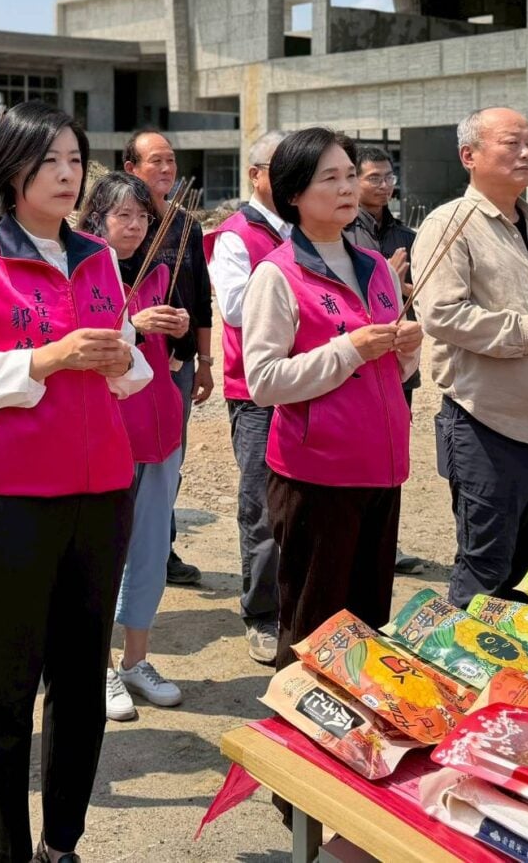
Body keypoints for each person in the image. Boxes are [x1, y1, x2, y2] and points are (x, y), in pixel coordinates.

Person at [0, 100, 150, 863]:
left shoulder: (99, 258)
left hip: (100, 497)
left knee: (81, 688)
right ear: (10, 171)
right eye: (48, 160)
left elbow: (130, 363)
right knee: (7, 691)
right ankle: (2, 850)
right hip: (10, 504)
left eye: (74, 160)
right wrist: (44, 361)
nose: (66, 173)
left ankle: (63, 843)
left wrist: (125, 361)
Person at [242, 127, 421, 671]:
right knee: (313, 627)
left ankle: (357, 739)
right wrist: (348, 349)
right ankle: (297, 742)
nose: (347, 188)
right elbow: (264, 380)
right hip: (316, 475)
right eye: (330, 178)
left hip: (380, 468)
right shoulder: (278, 273)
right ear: (294, 192)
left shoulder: (373, 265)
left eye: (350, 176)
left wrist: (406, 350)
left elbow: (390, 371)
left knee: (368, 625)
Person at [412, 107, 528, 609]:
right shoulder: (450, 225)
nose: (527, 153)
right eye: (512, 143)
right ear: (469, 156)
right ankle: (470, 679)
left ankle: (523, 685)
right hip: (486, 425)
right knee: (484, 571)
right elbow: (442, 316)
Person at [78, 172, 187, 721]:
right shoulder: (81, 271)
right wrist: (132, 327)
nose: (135, 225)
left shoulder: (160, 270)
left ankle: (136, 659)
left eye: (143, 216)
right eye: (123, 215)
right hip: (108, 431)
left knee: (149, 550)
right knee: (103, 552)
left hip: (162, 426)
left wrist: (177, 324)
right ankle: (93, 663)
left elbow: (168, 350)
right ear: (95, 218)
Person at [203, 130, 288, 664]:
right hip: (256, 388)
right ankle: (261, 610)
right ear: (256, 175)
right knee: (260, 501)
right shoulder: (237, 235)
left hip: (307, 380)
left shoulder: (312, 227)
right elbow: (235, 309)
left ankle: (298, 600)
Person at [123, 127, 214, 586]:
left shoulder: (187, 225)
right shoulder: (121, 222)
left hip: (177, 362)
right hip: (130, 355)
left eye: (170, 161)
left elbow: (200, 294)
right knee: (126, 456)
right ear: (131, 169)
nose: (165, 169)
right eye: (155, 161)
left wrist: (205, 360)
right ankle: (122, 547)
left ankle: (162, 546)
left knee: (167, 456)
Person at [343, 145, 425, 576]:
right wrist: (389, 282)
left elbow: (427, 299)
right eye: (373, 177)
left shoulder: (409, 237)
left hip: (399, 363)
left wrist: (411, 293)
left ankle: (384, 545)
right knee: (354, 454)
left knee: (390, 456)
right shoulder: (342, 235)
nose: (385, 185)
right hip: (357, 362)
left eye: (389, 176)